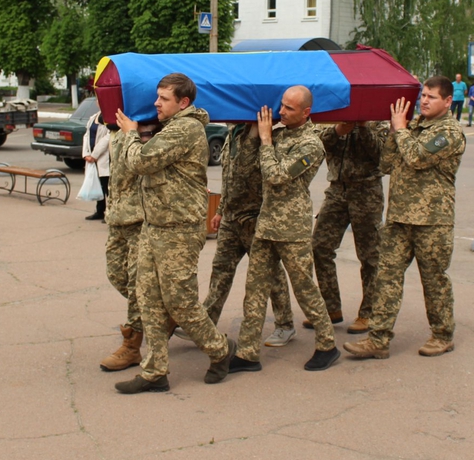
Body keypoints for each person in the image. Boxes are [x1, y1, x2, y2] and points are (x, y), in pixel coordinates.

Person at [112, 73, 234, 394]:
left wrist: (129, 134)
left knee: (180, 302)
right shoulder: (169, 126)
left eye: (163, 99)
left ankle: (220, 350)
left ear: (183, 103)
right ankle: (155, 372)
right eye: (156, 97)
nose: (156, 103)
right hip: (155, 225)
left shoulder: (187, 128)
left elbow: (141, 161)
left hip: (179, 228)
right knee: (149, 298)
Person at [344, 76, 466, 360]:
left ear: (448, 101)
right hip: (399, 218)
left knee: (433, 279)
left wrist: (400, 130)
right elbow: (386, 164)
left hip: (432, 221)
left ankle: (442, 335)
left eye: (432, 97)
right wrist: (393, 131)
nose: (424, 100)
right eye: (423, 95)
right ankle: (378, 339)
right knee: (386, 277)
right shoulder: (411, 127)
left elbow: (417, 158)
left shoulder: (449, 131)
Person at [229, 85, 339, 375]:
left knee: (304, 289)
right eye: (282, 106)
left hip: (292, 229)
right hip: (266, 224)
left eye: (289, 108)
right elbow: (246, 168)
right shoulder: (277, 134)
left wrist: (265, 141)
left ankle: (327, 345)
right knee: (254, 290)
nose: (281, 112)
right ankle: (247, 353)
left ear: (306, 112)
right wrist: (255, 134)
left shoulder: (311, 144)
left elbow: (276, 176)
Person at [199, 122, 295, 348]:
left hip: (255, 217)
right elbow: (229, 176)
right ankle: (206, 321)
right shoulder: (232, 134)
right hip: (232, 217)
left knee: (271, 273)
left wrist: (256, 135)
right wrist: (221, 210)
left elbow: (248, 168)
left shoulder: (265, 133)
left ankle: (285, 324)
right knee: (220, 270)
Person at [307, 120, 386, 335]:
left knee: (370, 256)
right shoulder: (332, 117)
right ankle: (330, 307)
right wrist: (339, 129)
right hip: (337, 190)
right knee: (320, 247)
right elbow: (317, 144)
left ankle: (369, 312)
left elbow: (382, 155)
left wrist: (363, 126)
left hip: (367, 191)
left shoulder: (378, 121)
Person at [99, 120, 159, 372]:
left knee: (137, 284)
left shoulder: (147, 123)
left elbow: (144, 162)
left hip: (140, 217)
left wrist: (135, 131)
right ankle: (163, 311)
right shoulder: (112, 128)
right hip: (116, 216)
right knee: (116, 274)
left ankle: (132, 345)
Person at [82, 110, 110, 221]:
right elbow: (86, 135)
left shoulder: (109, 116)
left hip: (104, 157)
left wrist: (94, 155)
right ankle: (100, 211)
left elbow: (108, 138)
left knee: (107, 186)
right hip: (92, 158)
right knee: (98, 186)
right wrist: (86, 154)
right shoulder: (94, 116)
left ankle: (110, 213)